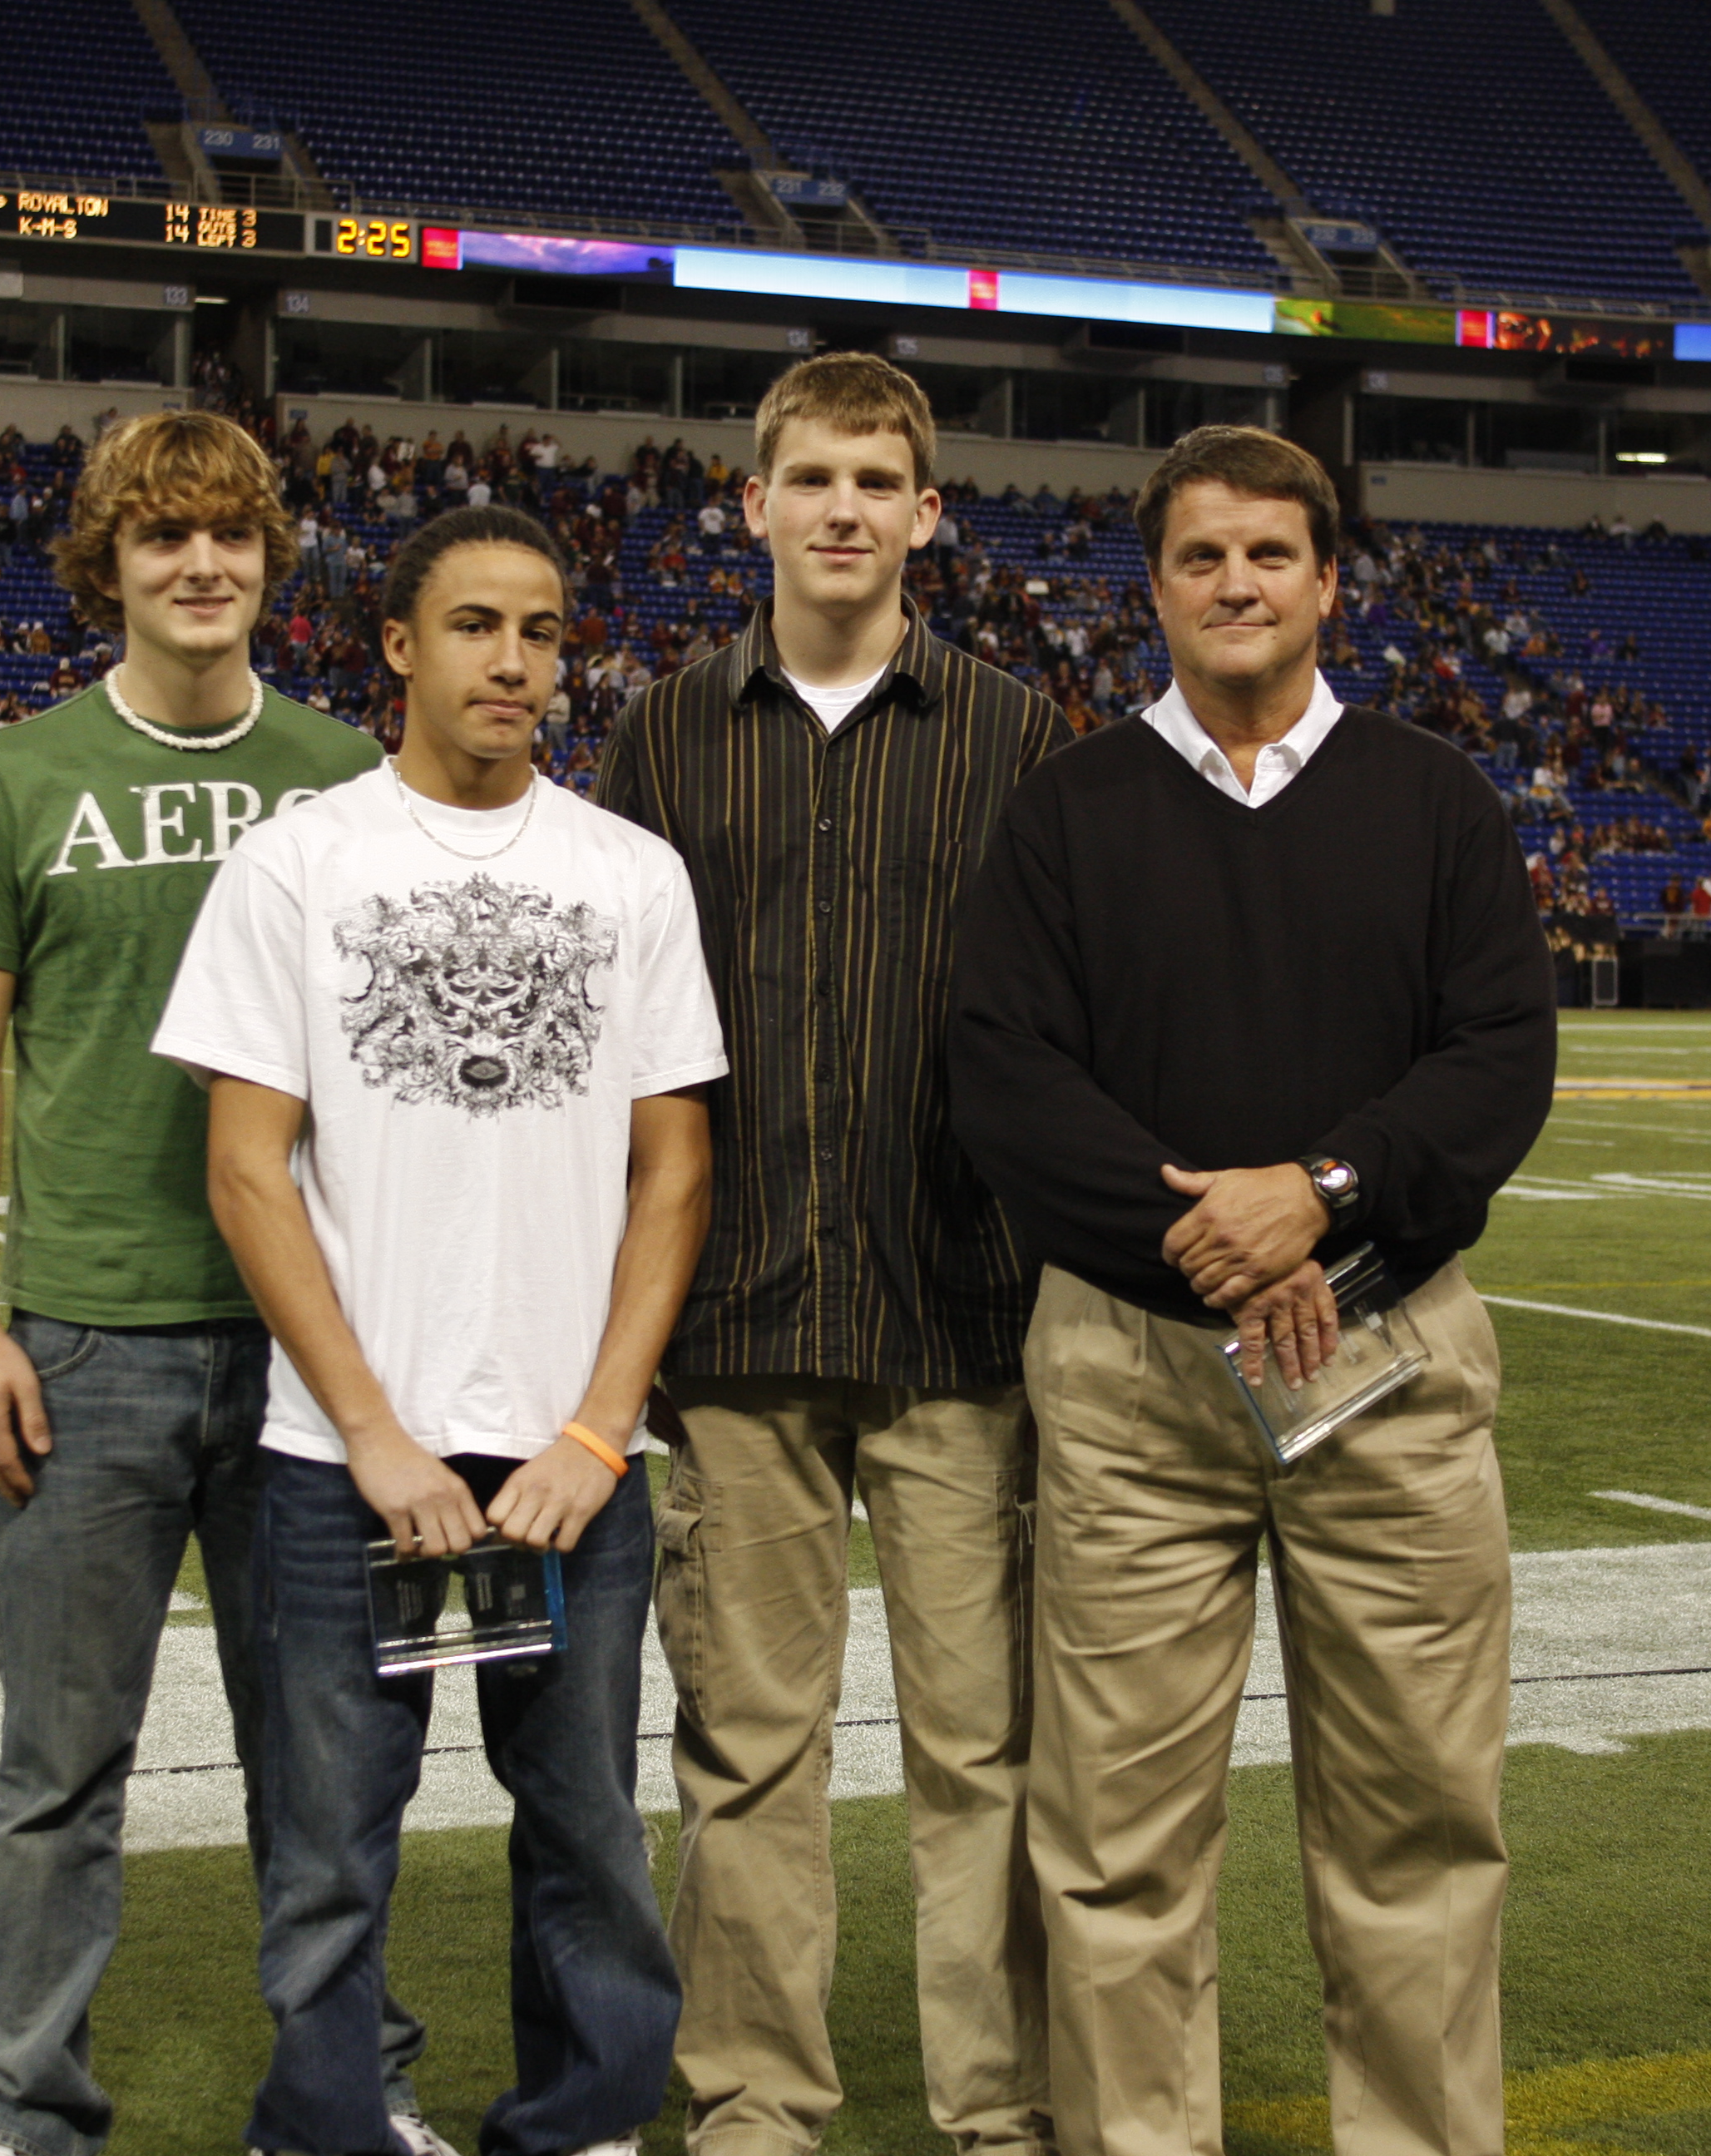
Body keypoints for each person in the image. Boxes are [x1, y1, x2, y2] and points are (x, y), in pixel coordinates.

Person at [948, 426, 1555, 2156]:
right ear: (1154, 591)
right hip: (1136, 1371)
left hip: (1393, 1357)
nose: (1236, 585)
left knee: (1419, 1822)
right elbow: (1006, 1076)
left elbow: (1501, 1059)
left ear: (1328, 583)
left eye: (1269, 557)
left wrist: (1328, 1197)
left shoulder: (1435, 796)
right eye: (1201, 558)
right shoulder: (1067, 809)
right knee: (1121, 1836)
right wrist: (1212, 1243)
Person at [156, 502, 721, 2156]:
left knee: (589, 1826)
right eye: (478, 626)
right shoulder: (298, 866)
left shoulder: (632, 877)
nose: (517, 662)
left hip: (571, 1460)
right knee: (332, 1834)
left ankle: (588, 2121)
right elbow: (245, 1173)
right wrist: (378, 1436)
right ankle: (329, 2122)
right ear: (398, 647)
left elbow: (673, 1176)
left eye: (543, 632)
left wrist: (600, 1431)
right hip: (347, 1462)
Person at [0, 409, 432, 2156]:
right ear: (109, 565)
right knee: (62, 1767)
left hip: (313, 1353)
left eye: (229, 536)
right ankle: (21, 2105)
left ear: (274, 561)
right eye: (161, 539)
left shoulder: (357, 775)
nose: (199, 566)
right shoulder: (14, 775)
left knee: (328, 1770)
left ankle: (352, 2093)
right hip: (89, 1337)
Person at [597, 352, 1070, 2156]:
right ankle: (756, 2105)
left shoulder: (1023, 738)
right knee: (749, 1755)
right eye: (814, 480)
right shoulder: (658, 732)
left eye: (880, 482)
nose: (846, 511)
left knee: (984, 1755)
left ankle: (999, 2107)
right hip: (731, 1316)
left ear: (927, 513)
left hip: (959, 1309)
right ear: (757, 504)